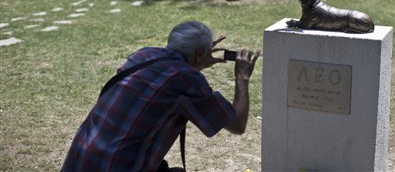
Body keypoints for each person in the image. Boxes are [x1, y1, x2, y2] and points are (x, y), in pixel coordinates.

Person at [61, 21, 260, 171]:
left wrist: (196, 61)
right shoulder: (187, 80)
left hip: (80, 161)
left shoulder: (143, 55)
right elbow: (237, 125)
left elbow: (166, 80)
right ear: (200, 53)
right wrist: (242, 79)